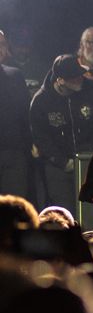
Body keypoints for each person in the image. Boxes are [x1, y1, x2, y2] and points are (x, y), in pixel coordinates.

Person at [29, 54, 93, 212]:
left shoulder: (92, 90)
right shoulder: (41, 101)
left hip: (88, 161)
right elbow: (41, 137)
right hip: (58, 166)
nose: (80, 79)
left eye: (80, 74)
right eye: (74, 77)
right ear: (60, 80)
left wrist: (91, 155)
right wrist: (62, 162)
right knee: (64, 210)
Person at [0, 30, 33, 200]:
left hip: (14, 154)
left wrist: (30, 144)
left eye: (2, 44)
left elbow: (26, 114)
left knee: (15, 208)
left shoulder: (15, 75)